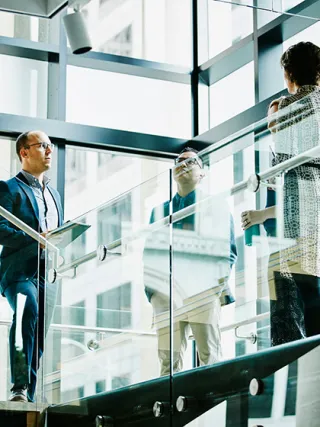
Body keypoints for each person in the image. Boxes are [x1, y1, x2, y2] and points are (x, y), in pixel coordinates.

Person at [241, 41, 320, 345]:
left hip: (299, 203)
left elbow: (280, 167)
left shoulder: (285, 107)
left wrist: (274, 130)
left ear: (289, 74)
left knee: (295, 289)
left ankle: (295, 359)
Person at [144, 147, 237, 375]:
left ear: (202, 173)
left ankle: (212, 409)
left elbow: (228, 250)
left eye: (190, 162)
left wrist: (214, 287)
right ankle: (169, 411)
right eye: (179, 161)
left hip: (202, 290)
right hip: (166, 294)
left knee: (210, 357)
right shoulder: (160, 211)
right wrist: (153, 293)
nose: (183, 165)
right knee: (168, 364)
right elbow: (150, 255)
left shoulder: (215, 204)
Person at [0, 130, 63, 402]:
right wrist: (35, 240)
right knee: (28, 310)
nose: (50, 151)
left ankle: (29, 396)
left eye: (51, 146)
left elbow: (56, 233)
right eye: (43, 146)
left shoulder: (55, 194)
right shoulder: (8, 188)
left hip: (48, 274)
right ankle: (19, 387)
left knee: (37, 336)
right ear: (24, 152)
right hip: (18, 272)